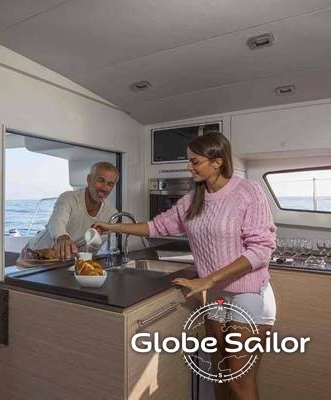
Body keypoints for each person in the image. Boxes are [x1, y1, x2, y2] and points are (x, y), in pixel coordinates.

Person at [94, 132, 276, 400]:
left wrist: (208, 280)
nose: (188, 167)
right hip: (217, 296)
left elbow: (261, 249)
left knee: (240, 384)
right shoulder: (193, 199)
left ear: (217, 162)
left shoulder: (248, 191)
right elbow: (157, 226)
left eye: (195, 161)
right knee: (220, 375)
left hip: (248, 295)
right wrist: (113, 227)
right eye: (188, 161)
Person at [24, 161, 119, 261]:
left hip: (65, 260)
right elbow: (57, 221)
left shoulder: (110, 213)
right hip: (34, 254)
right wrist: (62, 237)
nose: (104, 188)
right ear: (89, 179)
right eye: (101, 180)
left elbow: (93, 248)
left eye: (110, 184)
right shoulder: (68, 198)